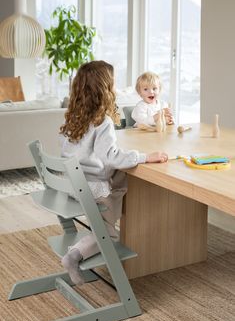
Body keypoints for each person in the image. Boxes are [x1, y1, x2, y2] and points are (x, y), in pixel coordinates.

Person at [59, 60, 168, 285]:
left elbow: (91, 155)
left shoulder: (73, 116)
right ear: (105, 88)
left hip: (72, 183)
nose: (116, 87)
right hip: (92, 188)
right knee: (109, 234)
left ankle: (117, 212)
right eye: (114, 82)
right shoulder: (103, 121)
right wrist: (145, 157)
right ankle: (73, 256)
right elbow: (111, 156)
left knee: (121, 176)